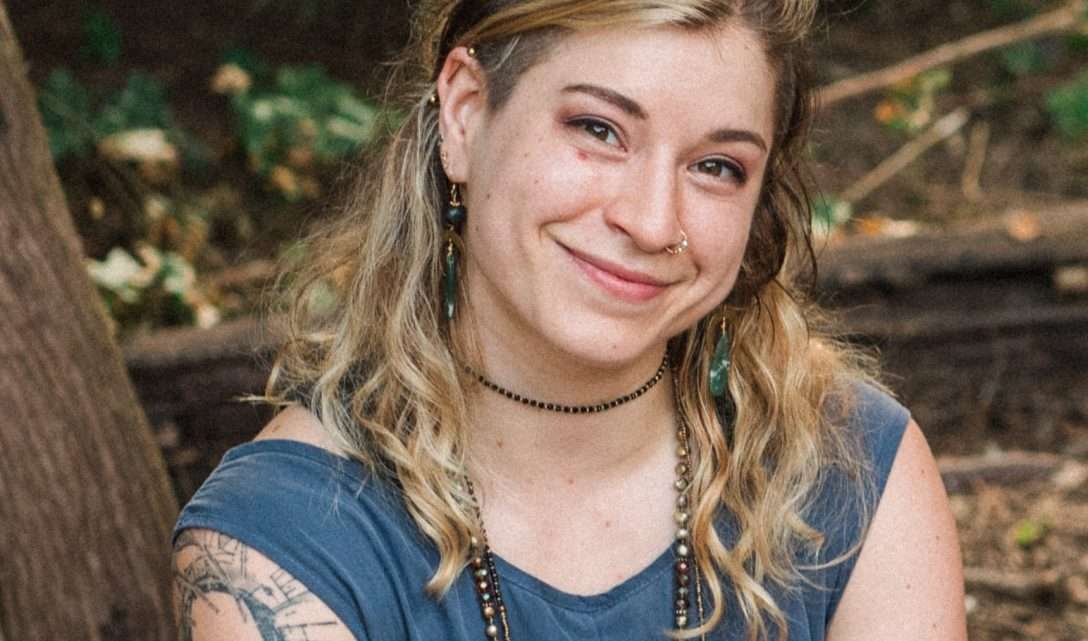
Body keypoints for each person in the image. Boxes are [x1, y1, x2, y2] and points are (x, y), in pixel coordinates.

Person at [172, 1, 966, 640]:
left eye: (716, 167)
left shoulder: (852, 469)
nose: (654, 221)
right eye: (598, 129)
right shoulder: (284, 539)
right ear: (466, 111)